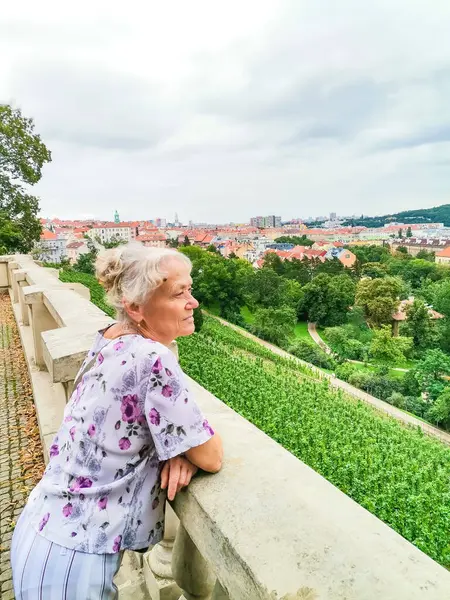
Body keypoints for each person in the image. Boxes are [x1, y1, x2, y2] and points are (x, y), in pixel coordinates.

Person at [11, 243, 223, 599]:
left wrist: (172, 445)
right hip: (74, 560)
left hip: (43, 528)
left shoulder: (112, 337)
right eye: (178, 293)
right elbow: (212, 456)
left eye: (190, 290)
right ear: (136, 307)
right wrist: (182, 448)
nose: (193, 302)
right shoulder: (152, 356)